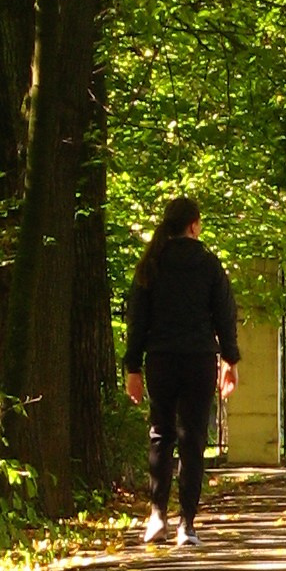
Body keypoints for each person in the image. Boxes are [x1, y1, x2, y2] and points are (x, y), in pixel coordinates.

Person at [122, 196, 239, 547]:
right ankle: (186, 524)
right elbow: (225, 315)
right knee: (193, 439)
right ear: (193, 225)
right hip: (199, 359)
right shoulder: (208, 264)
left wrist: (133, 366)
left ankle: (157, 515)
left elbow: (137, 319)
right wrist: (229, 361)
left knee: (161, 433)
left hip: (160, 359)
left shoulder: (151, 264)